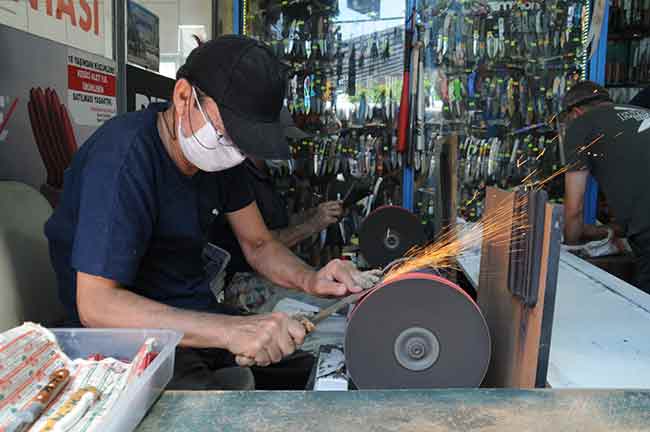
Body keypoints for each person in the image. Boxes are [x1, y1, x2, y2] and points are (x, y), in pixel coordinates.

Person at [45, 35, 373, 390]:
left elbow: (259, 244)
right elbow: (96, 305)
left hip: (197, 320)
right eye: (228, 133)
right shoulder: (123, 160)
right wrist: (233, 331)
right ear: (184, 96)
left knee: (322, 373)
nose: (236, 151)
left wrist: (311, 279)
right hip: (127, 343)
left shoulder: (218, 156)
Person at [560, 81, 650, 293]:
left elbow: (574, 209)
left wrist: (571, 249)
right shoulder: (640, 112)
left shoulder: (580, 125)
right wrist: (601, 231)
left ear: (575, 112)